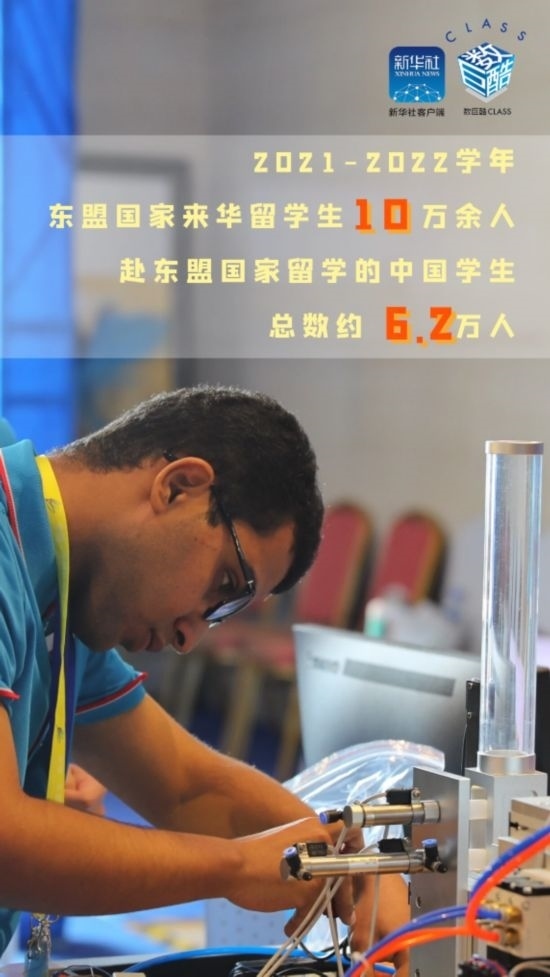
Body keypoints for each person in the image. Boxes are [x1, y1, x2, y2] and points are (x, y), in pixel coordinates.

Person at [0, 385, 408, 975]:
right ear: (178, 486)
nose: (190, 637)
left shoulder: (64, 585)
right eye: (224, 586)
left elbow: (185, 786)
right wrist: (234, 867)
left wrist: (352, 863)